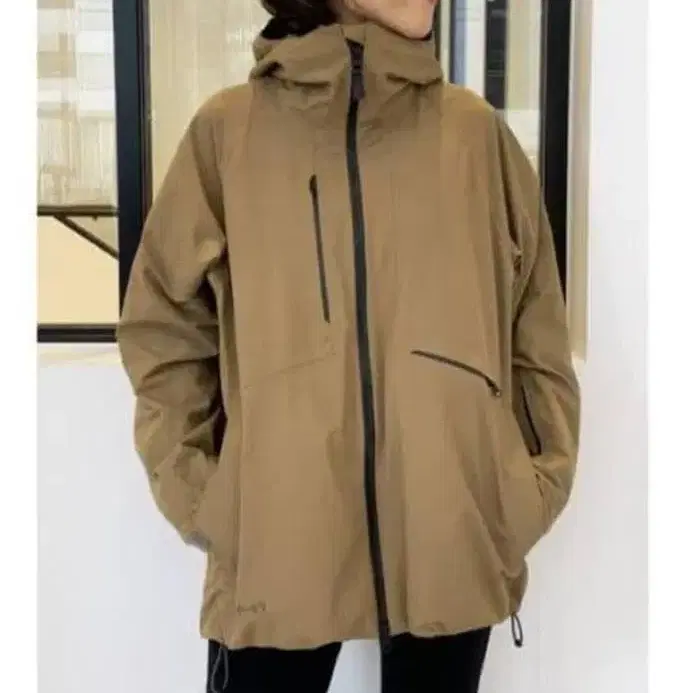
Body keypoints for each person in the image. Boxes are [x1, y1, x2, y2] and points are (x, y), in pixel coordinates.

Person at [117, 0, 581, 691]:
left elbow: (535, 328)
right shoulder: (229, 135)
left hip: (451, 534)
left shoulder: (476, 137)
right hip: (278, 545)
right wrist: (210, 498)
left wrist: (523, 489)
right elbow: (164, 329)